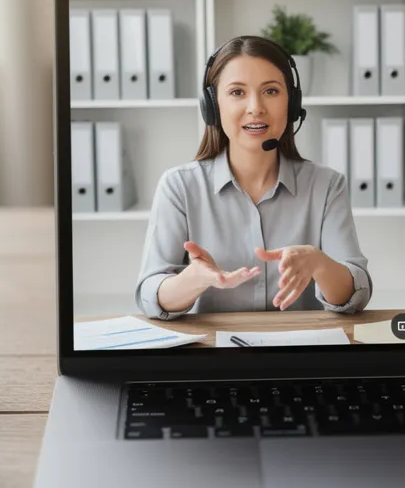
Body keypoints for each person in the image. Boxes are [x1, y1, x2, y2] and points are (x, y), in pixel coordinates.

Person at [135, 36, 372, 318]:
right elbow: (150, 294)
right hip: (214, 345)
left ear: (292, 103)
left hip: (298, 343)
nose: (256, 107)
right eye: (237, 92)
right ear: (213, 106)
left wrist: (320, 264)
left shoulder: (326, 186)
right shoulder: (180, 186)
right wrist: (193, 280)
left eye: (271, 91)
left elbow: (356, 296)